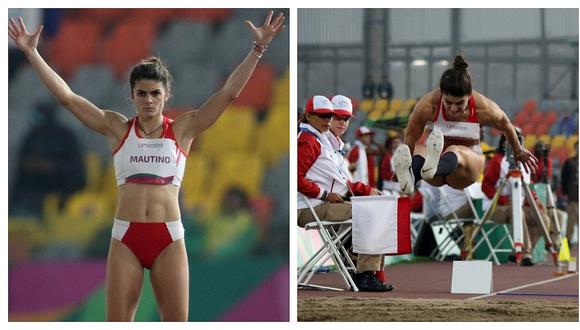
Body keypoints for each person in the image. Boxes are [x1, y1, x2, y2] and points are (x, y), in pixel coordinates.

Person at [9, 11, 285, 321]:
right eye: (141, 94)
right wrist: (32, 53)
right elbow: (68, 98)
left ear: (167, 96)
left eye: (155, 93)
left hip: (168, 237)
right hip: (126, 237)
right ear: (132, 96)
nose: (149, 100)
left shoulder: (183, 129)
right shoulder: (117, 128)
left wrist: (257, 49)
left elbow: (229, 93)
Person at [392, 54, 538, 197]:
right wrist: (406, 165)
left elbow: (506, 125)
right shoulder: (428, 106)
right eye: (448, 102)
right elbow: (411, 135)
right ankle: (412, 177)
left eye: (459, 103)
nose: (453, 109)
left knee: (454, 149)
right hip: (434, 174)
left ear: (469, 96)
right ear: (442, 94)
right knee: (420, 149)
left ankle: (430, 167)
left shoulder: (483, 108)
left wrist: (518, 150)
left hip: (466, 169)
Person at [297, 95, 392, 292]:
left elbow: (341, 181)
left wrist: (365, 191)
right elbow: (296, 180)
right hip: (308, 208)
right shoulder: (309, 140)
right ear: (308, 116)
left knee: (374, 210)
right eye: (324, 116)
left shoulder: (319, 139)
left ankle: (364, 271)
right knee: (371, 213)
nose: (328, 120)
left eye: (329, 116)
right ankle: (365, 274)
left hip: (317, 205)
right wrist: (324, 194)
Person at [482, 131, 550, 266]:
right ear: (503, 143)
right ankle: (525, 253)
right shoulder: (497, 161)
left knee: (544, 219)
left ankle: (520, 252)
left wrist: (535, 200)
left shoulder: (526, 163)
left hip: (519, 205)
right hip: (497, 207)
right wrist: (502, 200)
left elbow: (527, 186)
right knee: (518, 213)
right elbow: (486, 186)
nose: (514, 144)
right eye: (510, 141)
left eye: (517, 141)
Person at [11, 101, 85, 216]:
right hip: (30, 189)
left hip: (60, 191)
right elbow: (21, 165)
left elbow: (76, 170)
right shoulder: (32, 136)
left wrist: (51, 167)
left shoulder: (65, 137)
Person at [561, 141, 578, 247]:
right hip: (573, 196)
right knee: (571, 221)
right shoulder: (569, 162)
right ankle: (568, 241)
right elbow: (564, 177)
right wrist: (565, 191)